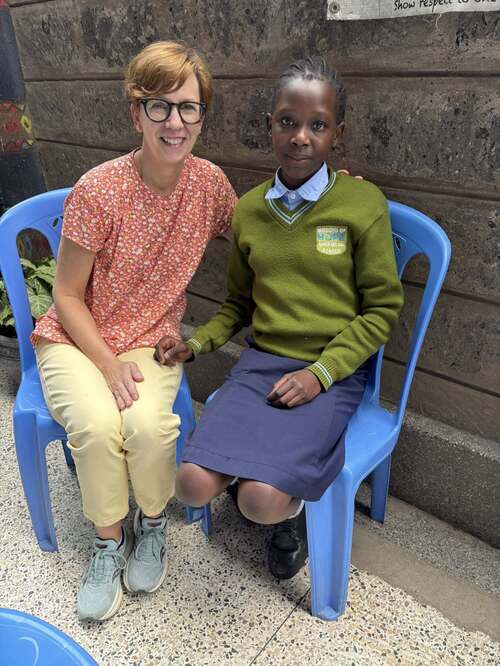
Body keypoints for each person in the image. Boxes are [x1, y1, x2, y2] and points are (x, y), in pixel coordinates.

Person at [156, 56, 404, 581]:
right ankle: (259, 472)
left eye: (318, 125)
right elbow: (239, 304)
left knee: (260, 501)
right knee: (190, 486)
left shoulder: (362, 204)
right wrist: (197, 343)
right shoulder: (249, 210)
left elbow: (382, 309)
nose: (300, 137)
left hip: (331, 370)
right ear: (270, 124)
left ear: (337, 133)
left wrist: (321, 374)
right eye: (288, 122)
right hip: (262, 363)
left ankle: (291, 515)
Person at [31, 41, 237, 621]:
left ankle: (151, 524)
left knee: (148, 425)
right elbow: (66, 295)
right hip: (76, 338)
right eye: (160, 106)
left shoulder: (209, 185)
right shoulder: (99, 189)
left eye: (189, 107)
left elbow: (260, 231)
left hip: (151, 340)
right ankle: (107, 542)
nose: (175, 122)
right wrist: (106, 363)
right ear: (136, 113)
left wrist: (327, 199)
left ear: (202, 116)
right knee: (98, 426)